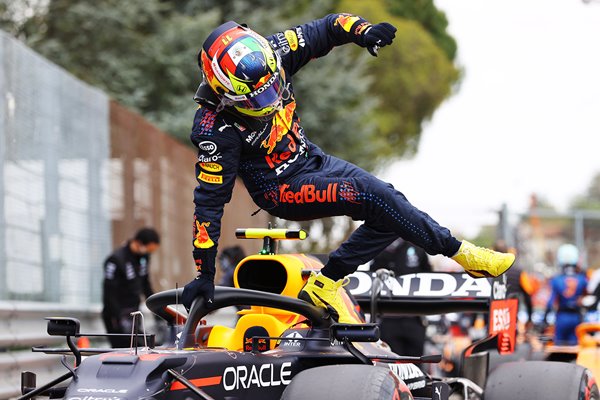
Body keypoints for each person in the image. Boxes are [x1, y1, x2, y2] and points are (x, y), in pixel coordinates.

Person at [182, 14, 515, 323]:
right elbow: (208, 205)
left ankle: (326, 282)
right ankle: (460, 252)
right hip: (279, 189)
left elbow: (330, 26)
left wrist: (364, 31)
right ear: (224, 91)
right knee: (376, 197)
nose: (270, 100)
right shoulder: (214, 128)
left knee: (391, 206)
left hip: (313, 159)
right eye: (257, 98)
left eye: (274, 87)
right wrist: (204, 276)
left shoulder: (278, 51)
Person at [369, 239, 431, 356]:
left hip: (415, 318)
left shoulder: (417, 248)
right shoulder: (379, 247)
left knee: (416, 364)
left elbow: (429, 276)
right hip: (388, 319)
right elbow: (372, 277)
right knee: (391, 362)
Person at [102, 227, 160, 348]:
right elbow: (109, 293)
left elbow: (146, 285)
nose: (148, 253)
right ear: (139, 243)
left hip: (134, 313)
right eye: (148, 249)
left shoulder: (143, 258)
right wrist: (118, 318)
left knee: (144, 347)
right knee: (122, 351)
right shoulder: (116, 260)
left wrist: (158, 311)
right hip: (116, 316)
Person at [544, 243, 588, 345]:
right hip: (576, 317)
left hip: (562, 317)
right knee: (575, 350)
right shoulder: (582, 279)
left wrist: (545, 319)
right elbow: (587, 298)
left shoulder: (556, 279)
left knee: (559, 349)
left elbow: (550, 302)